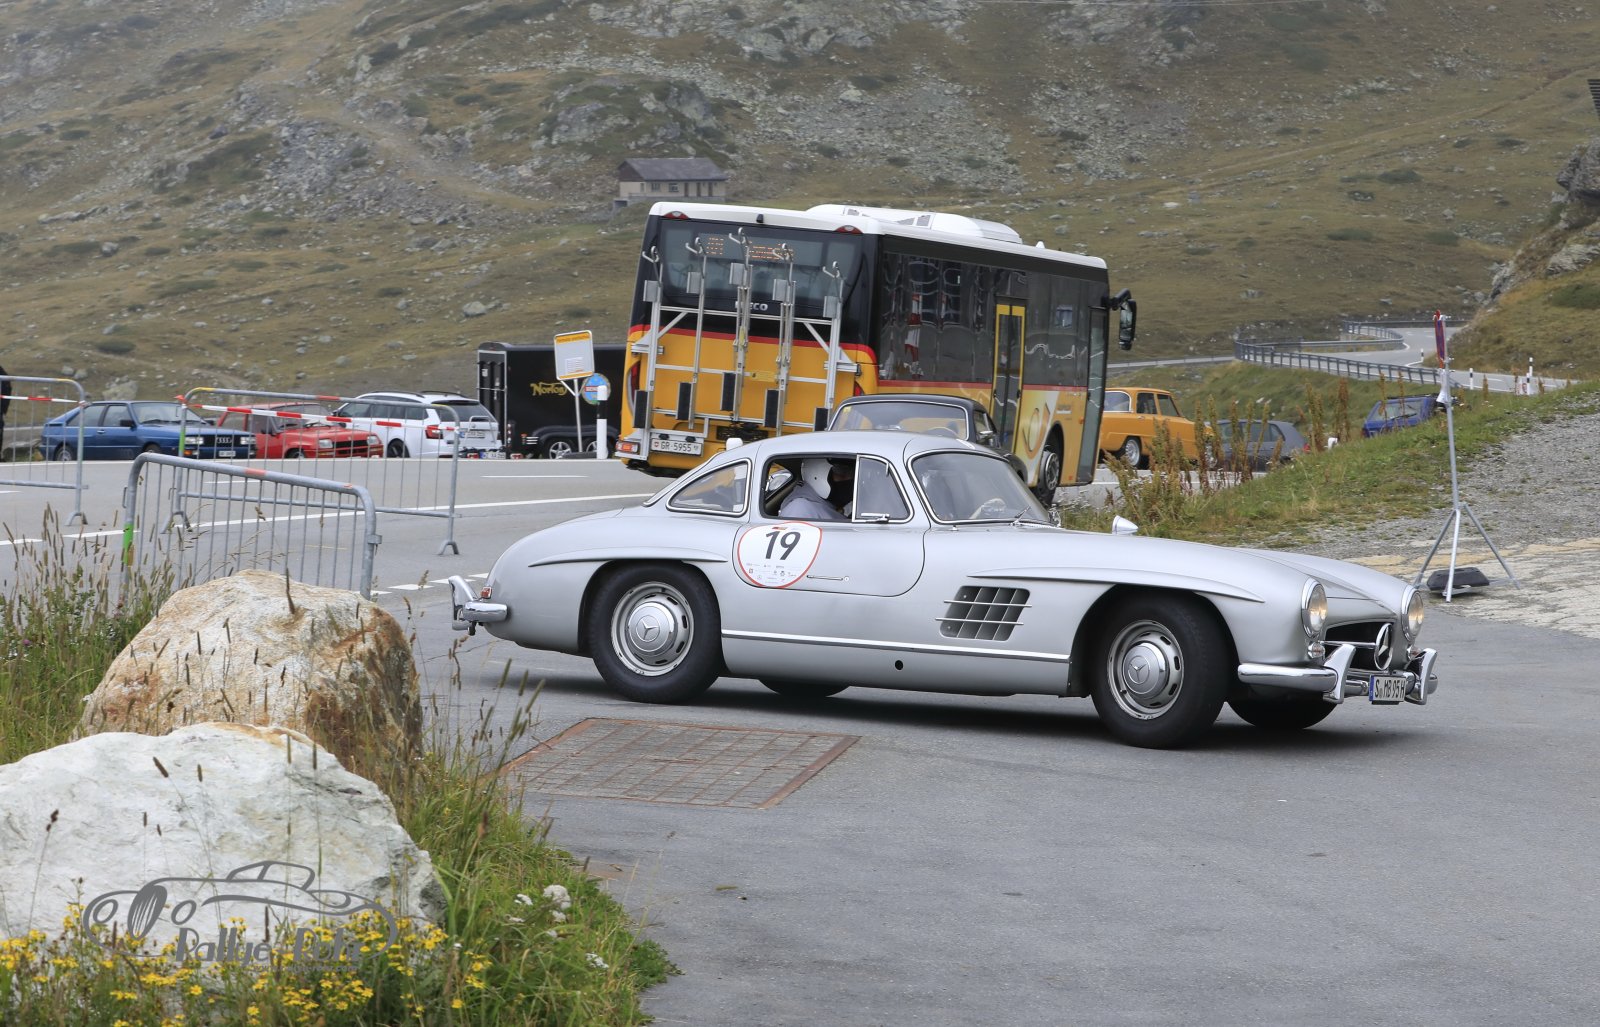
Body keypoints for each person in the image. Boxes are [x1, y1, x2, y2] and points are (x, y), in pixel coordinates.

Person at [778, 458, 852, 521]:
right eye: (842, 472)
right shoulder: (799, 510)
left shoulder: (828, 504)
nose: (850, 478)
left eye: (852, 473)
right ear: (817, 474)